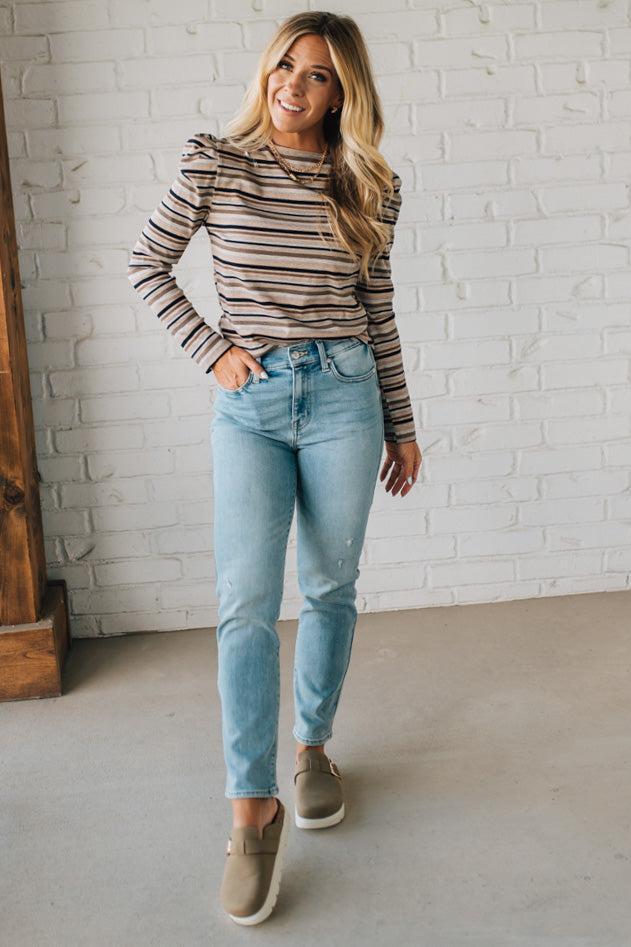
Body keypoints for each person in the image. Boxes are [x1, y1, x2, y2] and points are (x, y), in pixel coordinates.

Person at [127, 9, 422, 926]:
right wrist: (211, 347)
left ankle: (313, 750)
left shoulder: (369, 181)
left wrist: (402, 426)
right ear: (267, 71)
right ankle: (251, 812)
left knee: (331, 584)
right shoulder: (216, 160)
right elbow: (148, 264)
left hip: (344, 394)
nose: (293, 84)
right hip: (250, 403)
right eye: (285, 65)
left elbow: (377, 312)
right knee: (244, 600)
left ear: (346, 93)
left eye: (318, 74)